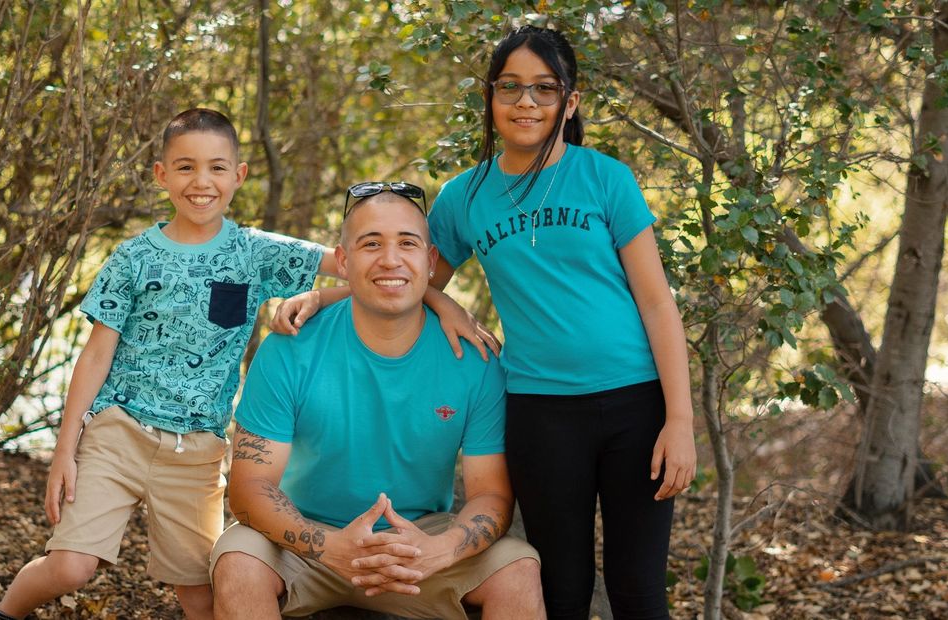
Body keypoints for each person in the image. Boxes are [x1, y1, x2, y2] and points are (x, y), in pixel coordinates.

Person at [273, 25, 697, 620]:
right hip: (540, 411)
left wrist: (679, 418)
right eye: (510, 88)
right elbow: (410, 281)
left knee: (638, 589)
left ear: (569, 101)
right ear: (491, 98)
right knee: (562, 588)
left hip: (636, 405)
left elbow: (657, 302)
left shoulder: (606, 178)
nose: (526, 103)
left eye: (544, 89)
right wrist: (327, 297)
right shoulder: (465, 196)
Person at [0, 108, 338, 620]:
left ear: (238, 176)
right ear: (161, 174)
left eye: (217, 168)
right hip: (117, 433)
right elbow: (97, 353)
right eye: (186, 166)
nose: (201, 182)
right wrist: (65, 449)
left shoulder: (254, 252)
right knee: (71, 568)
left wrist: (323, 297)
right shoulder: (134, 257)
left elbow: (358, 262)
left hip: (195, 452)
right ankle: (2, 614)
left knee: (200, 593)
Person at [211, 186, 546, 620]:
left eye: (407, 243)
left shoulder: (474, 361)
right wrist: (330, 546)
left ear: (430, 261)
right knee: (237, 558)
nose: (390, 260)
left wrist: (437, 550)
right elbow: (251, 487)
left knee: (518, 568)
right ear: (344, 262)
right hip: (305, 537)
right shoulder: (291, 347)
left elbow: (491, 495)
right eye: (371, 244)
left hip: (419, 540)